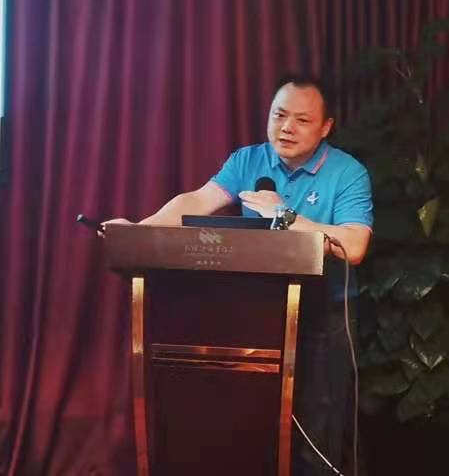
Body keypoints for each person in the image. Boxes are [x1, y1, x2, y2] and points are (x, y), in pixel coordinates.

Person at [102, 74, 373, 475]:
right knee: (253, 422)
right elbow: (198, 200)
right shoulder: (248, 160)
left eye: (302, 120)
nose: (286, 128)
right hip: (258, 313)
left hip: (324, 315)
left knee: (316, 428)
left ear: (325, 127)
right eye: (279, 115)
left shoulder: (348, 173)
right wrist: (137, 230)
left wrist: (284, 215)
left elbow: (355, 245)